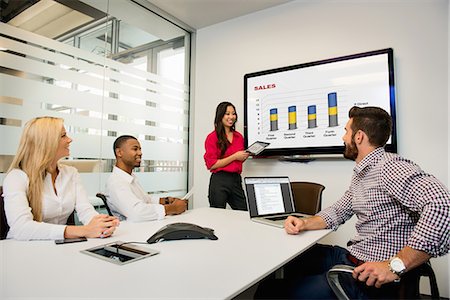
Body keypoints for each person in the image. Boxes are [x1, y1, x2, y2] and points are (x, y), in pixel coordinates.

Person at [257, 106, 450, 299]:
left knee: (269, 292)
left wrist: (395, 265)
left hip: (367, 273)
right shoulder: (364, 172)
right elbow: (339, 210)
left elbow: (442, 205)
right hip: (354, 254)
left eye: (346, 131)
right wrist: (305, 223)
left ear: (358, 136)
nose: (343, 138)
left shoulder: (389, 167)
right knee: (288, 263)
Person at [2, 117, 120, 241]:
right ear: (46, 142)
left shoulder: (71, 173)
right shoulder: (16, 177)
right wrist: (84, 230)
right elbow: (21, 228)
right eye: (63, 136)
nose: (70, 139)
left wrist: (102, 225)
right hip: (22, 249)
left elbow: (85, 210)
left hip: (59, 247)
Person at [105, 135, 187, 222]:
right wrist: (172, 208)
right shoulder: (116, 182)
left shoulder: (129, 178)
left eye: (140, 149)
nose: (140, 153)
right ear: (119, 152)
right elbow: (137, 213)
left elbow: (146, 200)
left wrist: (166, 200)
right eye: (135, 149)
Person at [204, 101, 250, 210]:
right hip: (220, 180)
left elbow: (238, 160)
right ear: (220, 116)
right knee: (217, 215)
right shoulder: (212, 137)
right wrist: (235, 156)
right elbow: (211, 164)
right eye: (227, 113)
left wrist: (243, 156)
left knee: (243, 213)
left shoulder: (239, 137)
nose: (231, 117)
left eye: (233, 113)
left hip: (235, 180)